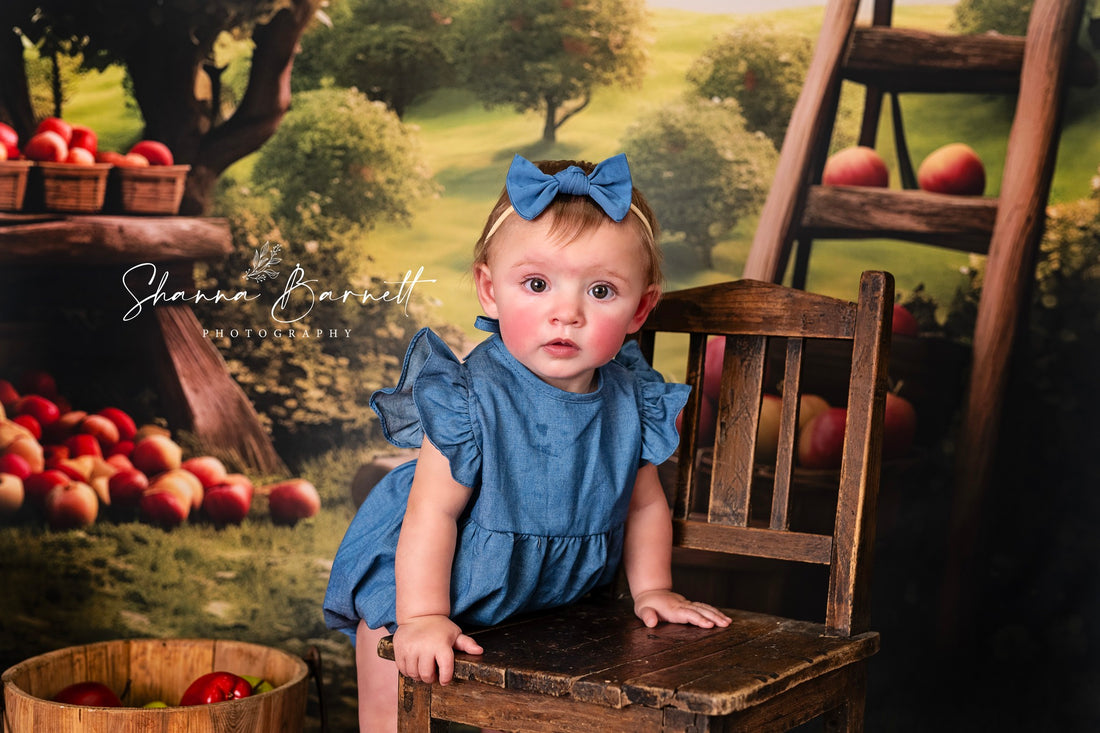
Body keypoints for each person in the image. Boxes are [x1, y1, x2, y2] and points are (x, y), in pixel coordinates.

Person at [323, 153, 731, 732]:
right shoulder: (470, 398)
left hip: (551, 599)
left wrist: (654, 587)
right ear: (490, 291)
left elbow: (644, 504)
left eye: (601, 290)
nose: (566, 313)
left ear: (641, 307)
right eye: (536, 284)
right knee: (395, 680)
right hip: (437, 580)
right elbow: (430, 514)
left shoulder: (631, 398)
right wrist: (422, 616)